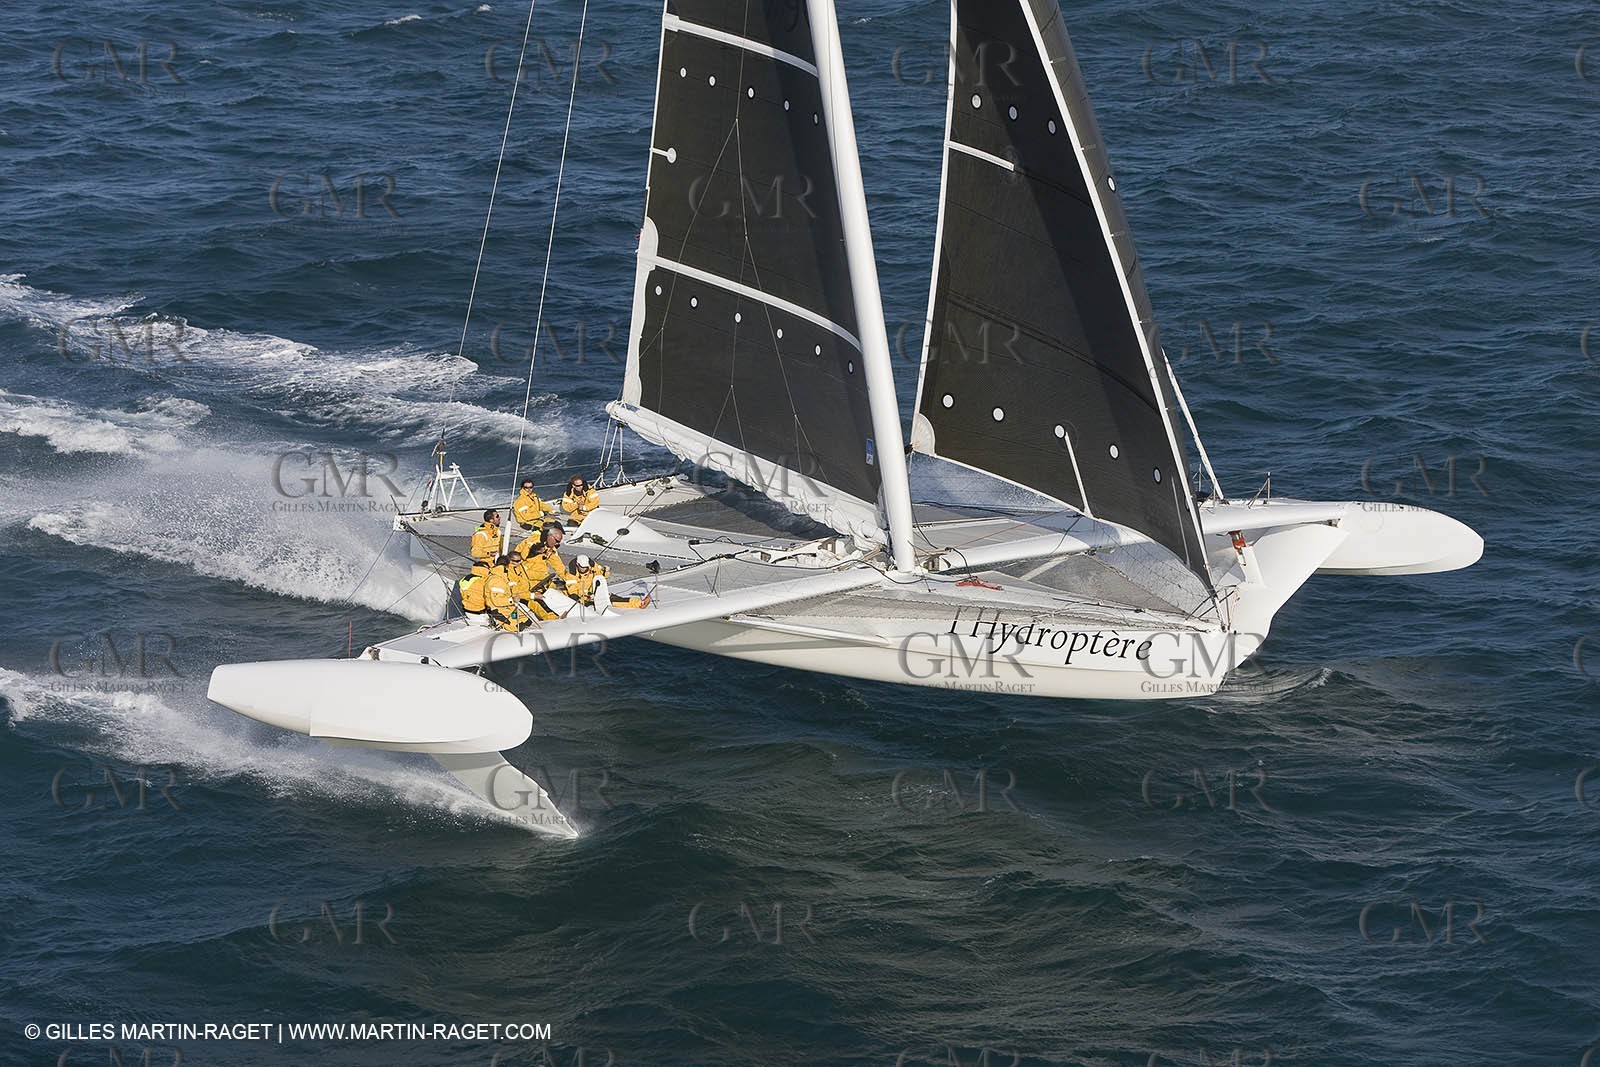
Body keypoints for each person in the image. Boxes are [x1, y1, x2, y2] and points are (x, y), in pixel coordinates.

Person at [565, 554, 649, 610]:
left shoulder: (592, 567)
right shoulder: (571, 575)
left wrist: (606, 571)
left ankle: (639, 603)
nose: (584, 569)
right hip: (582, 598)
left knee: (613, 598)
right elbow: (572, 590)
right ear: (577, 565)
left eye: (586, 567)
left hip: (594, 593)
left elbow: (602, 575)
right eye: (582, 567)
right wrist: (587, 594)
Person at [484, 554, 524, 632]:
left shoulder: (503, 576)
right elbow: (497, 601)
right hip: (498, 608)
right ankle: (497, 621)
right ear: (506, 566)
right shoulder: (496, 580)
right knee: (518, 627)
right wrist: (512, 600)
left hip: (507, 606)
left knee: (526, 622)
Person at [457, 561, 491, 627]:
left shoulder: (466, 578)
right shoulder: (482, 581)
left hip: (467, 610)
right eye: (488, 567)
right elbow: (489, 597)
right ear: (483, 569)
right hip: (480, 612)